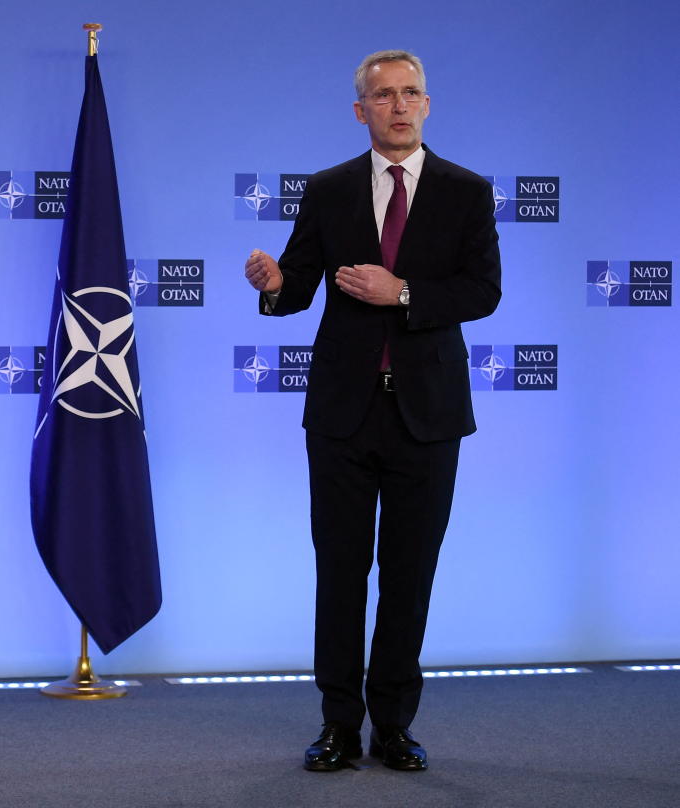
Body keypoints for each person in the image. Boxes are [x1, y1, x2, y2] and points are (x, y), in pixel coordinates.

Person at [244, 50, 501, 772]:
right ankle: (337, 725)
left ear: (427, 104)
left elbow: (483, 291)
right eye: (383, 95)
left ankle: (393, 725)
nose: (398, 105)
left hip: (429, 414)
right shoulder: (327, 190)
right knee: (341, 572)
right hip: (342, 415)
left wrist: (405, 294)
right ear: (361, 111)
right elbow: (295, 287)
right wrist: (273, 282)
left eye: (410, 93)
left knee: (410, 574)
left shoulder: (466, 191)